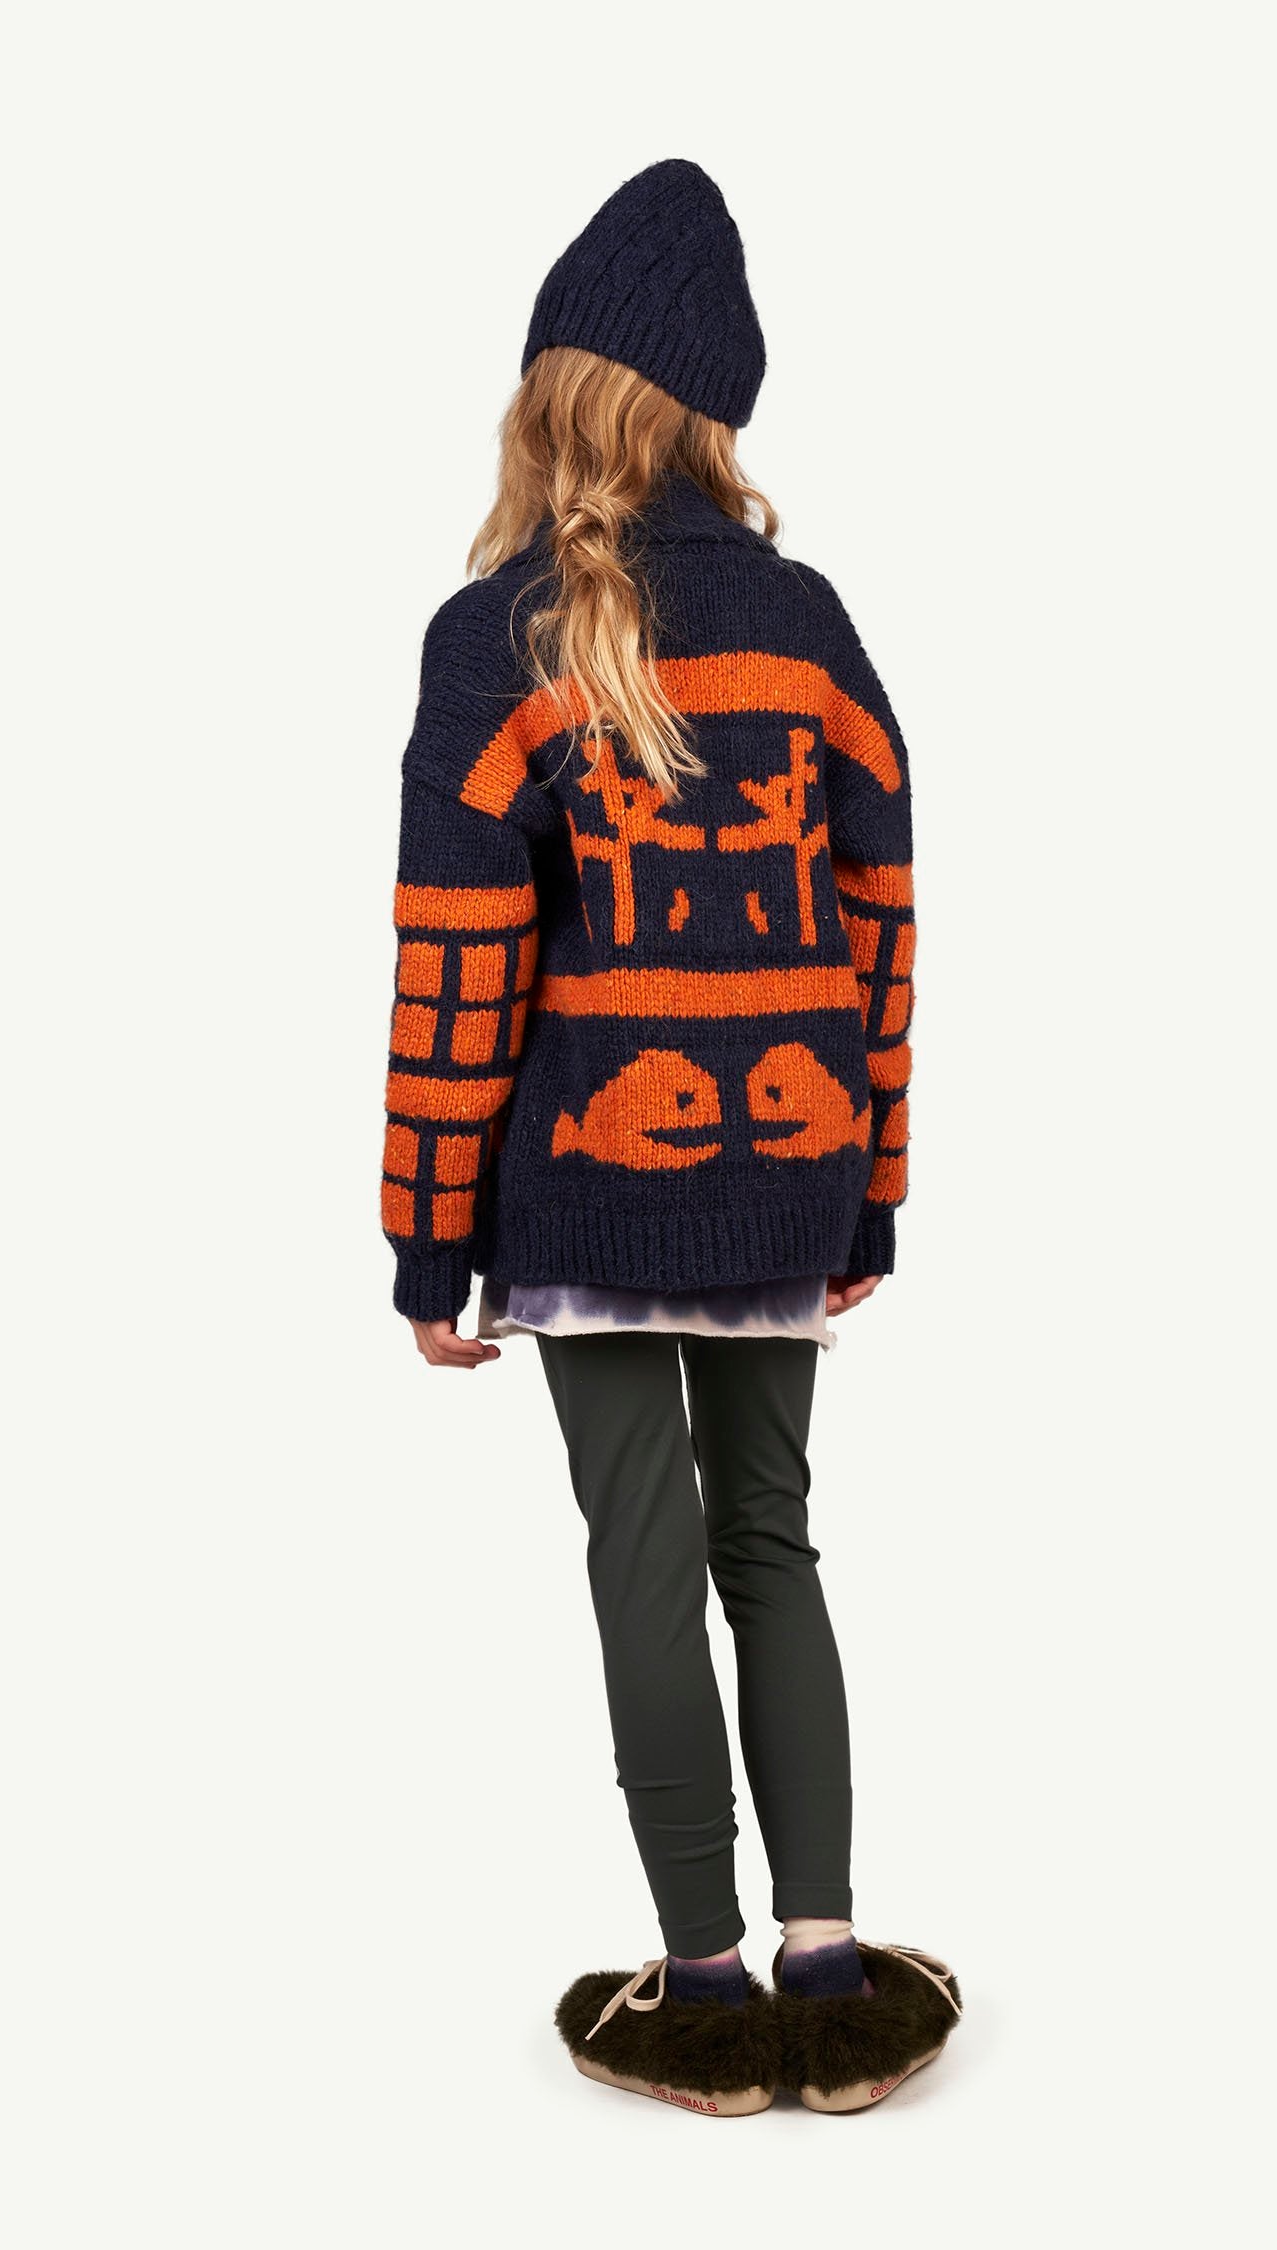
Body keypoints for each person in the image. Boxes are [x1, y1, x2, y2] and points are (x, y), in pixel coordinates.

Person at [380, 159, 959, 2114]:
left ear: (557, 393)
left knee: (639, 1548)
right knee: (769, 1535)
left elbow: (457, 963)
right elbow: (883, 919)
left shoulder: (497, 639)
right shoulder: (806, 623)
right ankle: (832, 1968)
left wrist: (427, 1236)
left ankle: (703, 1991)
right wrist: (871, 1186)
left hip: (590, 1182)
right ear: (714, 409)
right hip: (787, 1162)